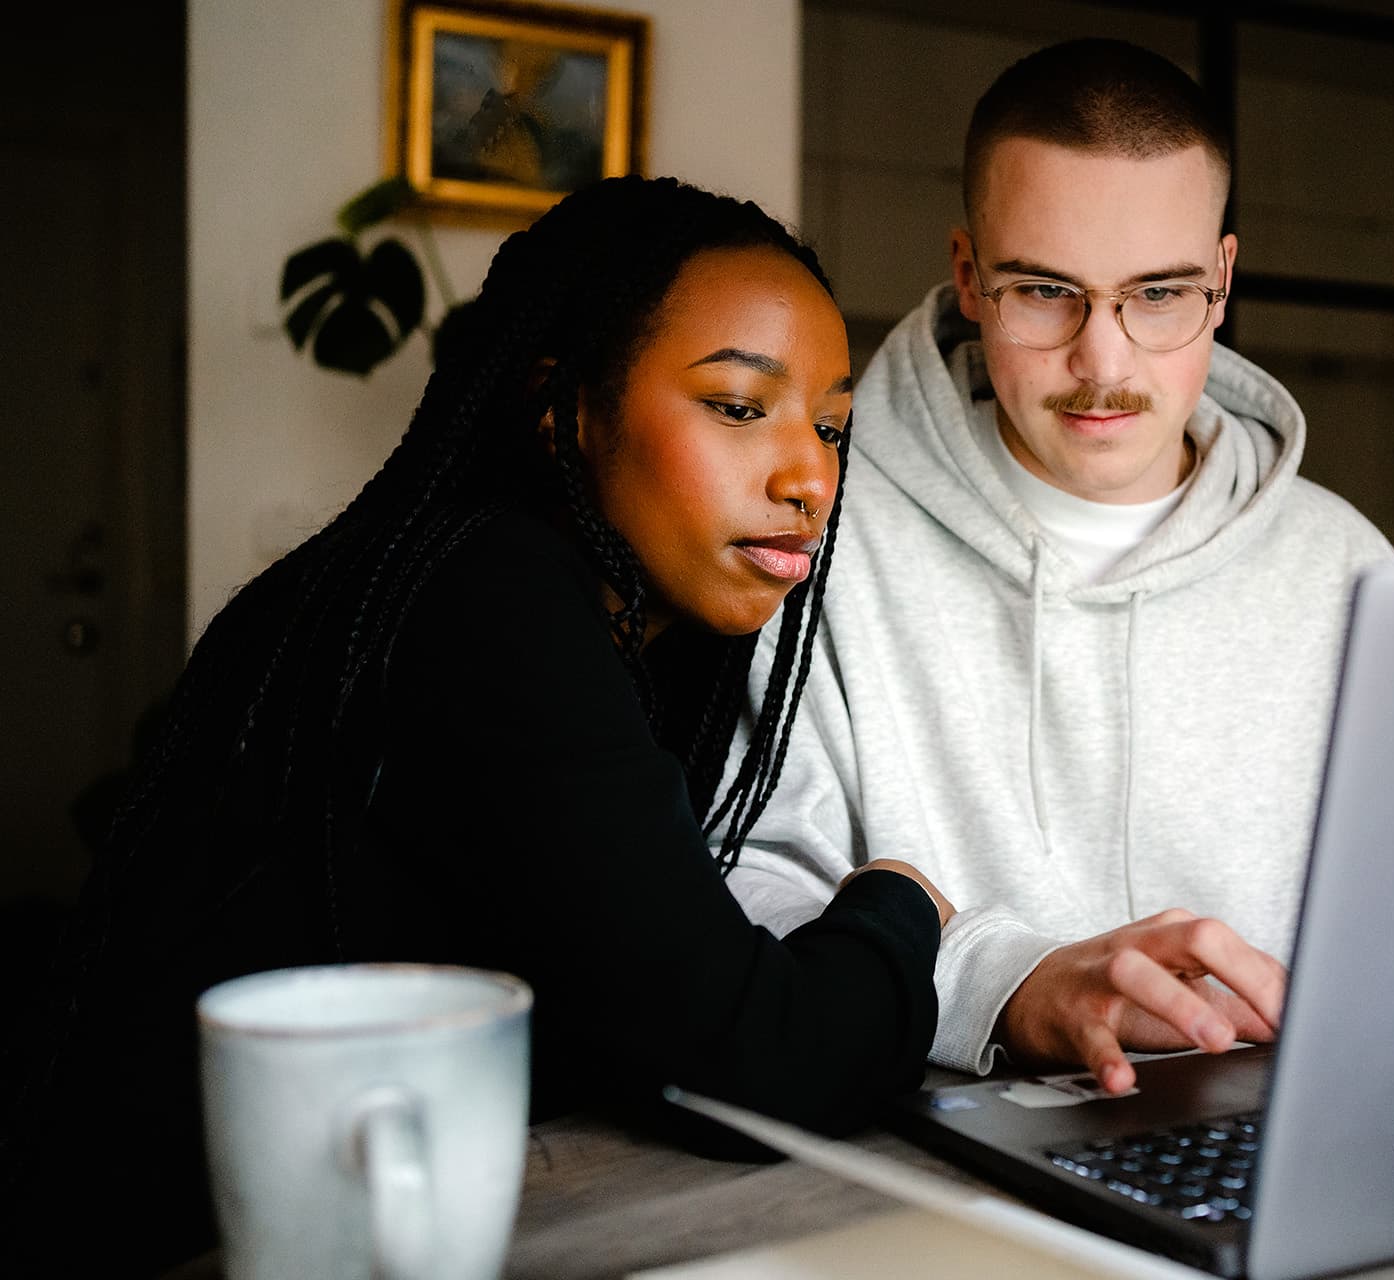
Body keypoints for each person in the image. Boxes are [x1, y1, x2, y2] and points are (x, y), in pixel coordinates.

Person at [0, 176, 951, 1275]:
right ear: (564, 410)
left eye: (831, 423)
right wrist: (901, 907)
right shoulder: (494, 601)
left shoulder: (532, 600)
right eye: (739, 406)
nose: (809, 475)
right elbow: (755, 1060)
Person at [723, 40, 1394, 1094]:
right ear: (968, 278)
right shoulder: (821, 539)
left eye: (1159, 294)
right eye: (1045, 291)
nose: (1105, 362)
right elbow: (744, 889)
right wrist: (1004, 982)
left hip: (1292, 1128)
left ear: (1223, 280)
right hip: (936, 1139)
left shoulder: (1349, 567)